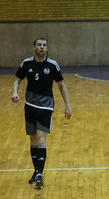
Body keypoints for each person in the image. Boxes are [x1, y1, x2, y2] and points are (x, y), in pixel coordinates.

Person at [11, 37, 72, 189]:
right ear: (34, 48)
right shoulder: (27, 63)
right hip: (30, 105)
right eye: (39, 45)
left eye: (44, 45)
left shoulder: (52, 65)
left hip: (46, 107)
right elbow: (17, 80)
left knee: (41, 139)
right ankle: (36, 171)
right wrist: (14, 92)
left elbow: (61, 85)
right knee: (32, 140)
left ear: (47, 48)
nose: (42, 47)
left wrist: (68, 105)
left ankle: (39, 173)